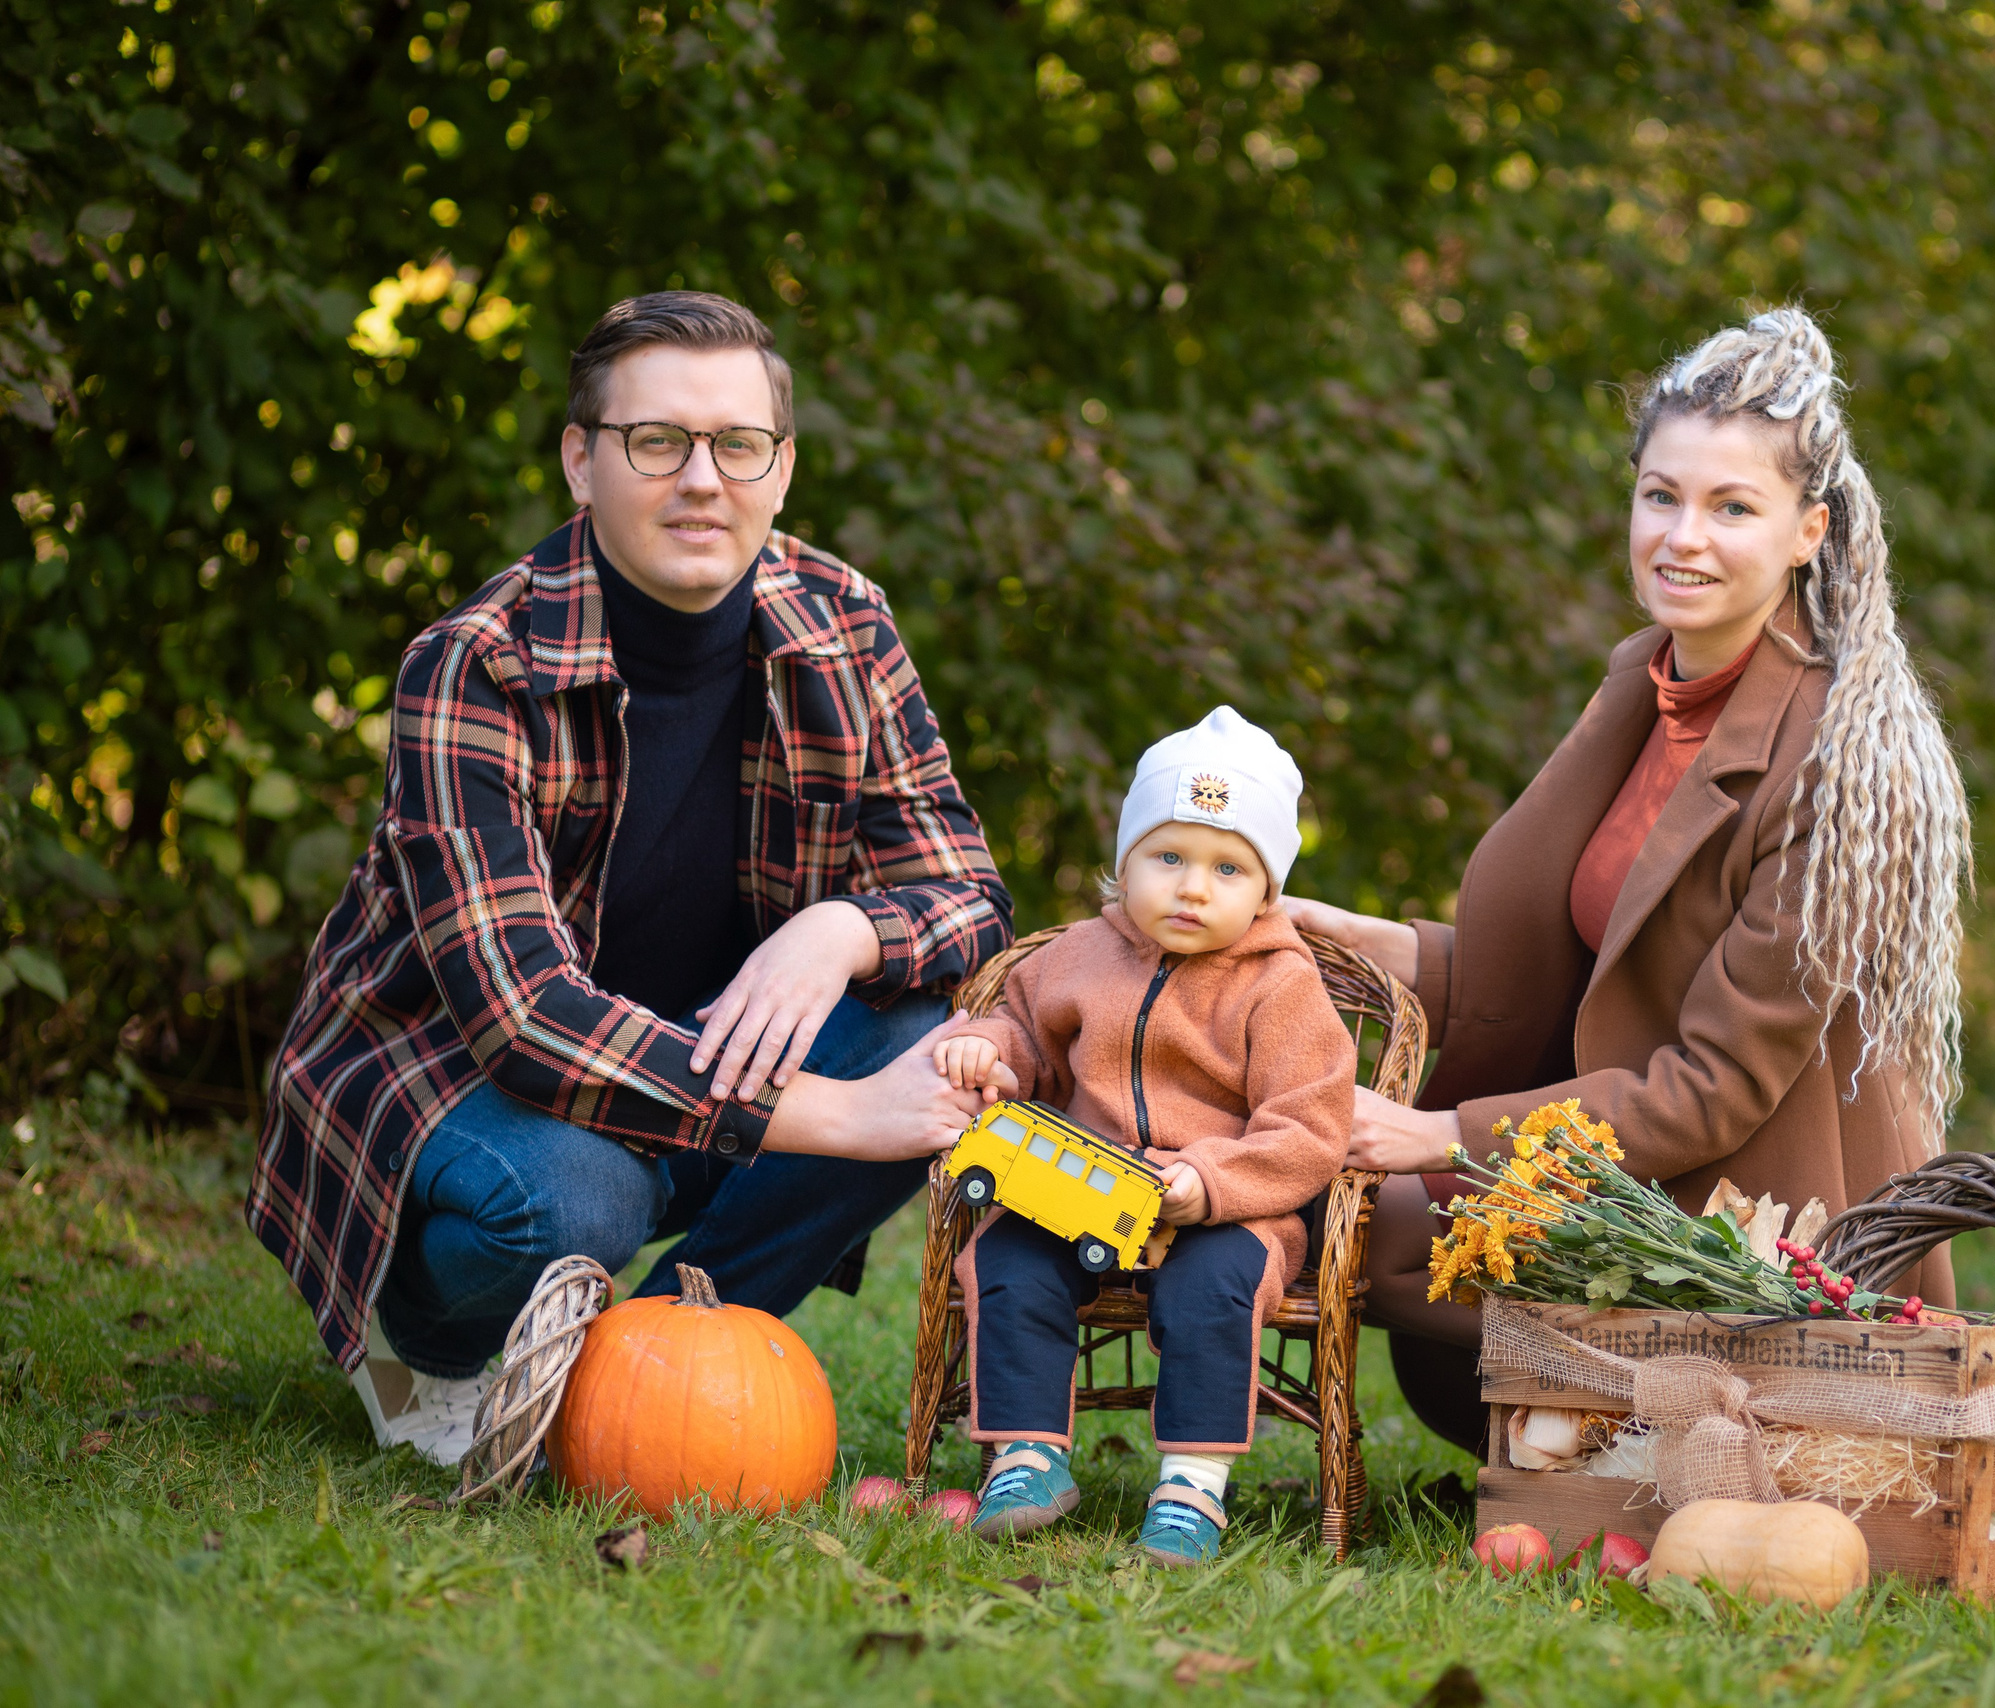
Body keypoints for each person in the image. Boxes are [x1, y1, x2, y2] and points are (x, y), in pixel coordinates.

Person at [250, 292, 1016, 1464]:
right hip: (454, 1069)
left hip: (704, 1044)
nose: (701, 479)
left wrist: (839, 931)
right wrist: (842, 1117)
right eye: (656, 441)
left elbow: (966, 886)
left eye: (737, 444)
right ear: (581, 459)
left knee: (929, 1048)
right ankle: (426, 1344)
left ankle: (658, 1354)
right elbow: (521, 1018)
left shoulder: (844, 622)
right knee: (578, 1201)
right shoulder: (476, 665)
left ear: (782, 466)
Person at [1285, 308, 1972, 1448]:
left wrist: (1440, 1133)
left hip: (1746, 1237)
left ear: (1809, 529)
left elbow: (1705, 1090)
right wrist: (1361, 937)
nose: (1681, 538)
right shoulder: (1649, 682)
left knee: (1356, 1216)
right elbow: (1592, 973)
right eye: (1661, 496)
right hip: (1629, 1174)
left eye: (1730, 507)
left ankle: (1654, 1433)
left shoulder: (1843, 761)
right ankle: (1588, 1435)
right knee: (1334, 1200)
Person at [932, 707, 1355, 1565]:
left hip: (1224, 1209)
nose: (1193, 887)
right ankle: (1027, 1457)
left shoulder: (1282, 988)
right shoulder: (1077, 956)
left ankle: (1193, 1484)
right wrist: (988, 1049)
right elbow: (1025, 1041)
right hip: (1079, 1193)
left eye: (1228, 868)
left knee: (1216, 1288)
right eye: (1169, 858)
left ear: (1267, 891)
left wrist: (1212, 1182)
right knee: (1008, 1260)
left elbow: (1310, 1125)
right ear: (1124, 863)